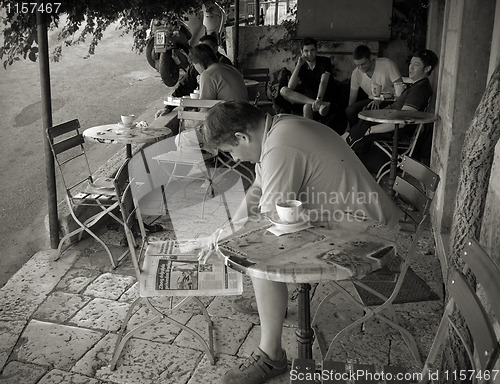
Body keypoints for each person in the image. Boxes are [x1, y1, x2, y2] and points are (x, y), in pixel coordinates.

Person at [202, 101, 399, 384]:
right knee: (260, 244)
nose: (234, 159)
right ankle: (272, 306)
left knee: (262, 253)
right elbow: (259, 189)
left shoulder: (280, 146)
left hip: (368, 237)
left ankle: (270, 356)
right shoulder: (277, 127)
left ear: (242, 137)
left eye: (230, 151)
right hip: (353, 220)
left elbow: (268, 215)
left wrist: (225, 241)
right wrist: (227, 229)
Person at [345, 49, 439, 173]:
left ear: (427, 69)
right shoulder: (417, 85)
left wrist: (372, 130)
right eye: (410, 63)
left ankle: (347, 165)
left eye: (416, 65)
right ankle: (350, 160)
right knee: (357, 128)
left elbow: (402, 122)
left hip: (395, 129)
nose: (410, 68)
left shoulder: (419, 91)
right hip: (389, 121)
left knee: (358, 133)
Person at [155, 34, 233, 119]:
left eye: (206, 49)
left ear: (215, 49)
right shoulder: (207, 67)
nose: (202, 52)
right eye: (200, 48)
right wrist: (168, 107)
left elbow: (204, 109)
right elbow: (185, 86)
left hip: (229, 116)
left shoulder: (216, 69)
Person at [346, 45, 402, 129]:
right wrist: (348, 119)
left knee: (368, 111)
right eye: (358, 65)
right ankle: (354, 134)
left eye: (363, 64)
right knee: (351, 110)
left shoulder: (387, 64)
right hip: (372, 100)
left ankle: (365, 134)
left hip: (391, 100)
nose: (361, 68)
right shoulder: (356, 73)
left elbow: (400, 89)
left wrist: (380, 99)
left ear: (371, 58)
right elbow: (352, 98)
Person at [279, 37, 335, 120]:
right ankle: (320, 105)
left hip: (324, 96)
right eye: (306, 51)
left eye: (312, 50)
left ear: (316, 50)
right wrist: (298, 66)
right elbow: (290, 87)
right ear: (301, 52)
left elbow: (323, 82)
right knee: (283, 90)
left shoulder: (324, 61)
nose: (309, 53)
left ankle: (309, 131)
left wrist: (319, 99)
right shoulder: (301, 65)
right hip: (309, 98)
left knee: (307, 107)